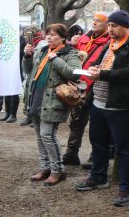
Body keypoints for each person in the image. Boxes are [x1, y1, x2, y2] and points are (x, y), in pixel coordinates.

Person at [76, 10, 129, 208]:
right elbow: (99, 63)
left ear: (126, 26)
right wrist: (93, 69)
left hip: (123, 106)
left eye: (114, 26)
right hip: (99, 103)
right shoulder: (109, 44)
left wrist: (104, 75)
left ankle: (127, 187)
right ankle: (98, 176)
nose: (110, 29)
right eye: (109, 26)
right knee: (98, 143)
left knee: (125, 148)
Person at [23, 24, 82, 185]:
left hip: (53, 100)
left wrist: (55, 59)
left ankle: (57, 170)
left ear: (63, 37)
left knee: (48, 135)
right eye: (47, 34)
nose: (49, 37)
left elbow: (75, 74)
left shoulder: (70, 53)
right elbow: (29, 71)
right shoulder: (42, 51)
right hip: (36, 96)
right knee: (40, 136)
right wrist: (27, 56)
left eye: (53, 35)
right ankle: (45, 168)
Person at [63, 14, 110, 166]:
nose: (95, 23)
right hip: (79, 84)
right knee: (76, 121)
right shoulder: (83, 39)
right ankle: (71, 153)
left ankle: (94, 156)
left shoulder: (109, 42)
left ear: (107, 25)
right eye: (94, 20)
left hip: (97, 86)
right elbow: (76, 59)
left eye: (99, 21)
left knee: (98, 124)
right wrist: (74, 46)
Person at [20, 27, 47, 127]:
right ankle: (29, 116)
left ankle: (36, 117)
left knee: (37, 98)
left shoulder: (43, 45)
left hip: (38, 74)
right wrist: (27, 54)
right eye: (26, 35)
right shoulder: (29, 45)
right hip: (30, 74)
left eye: (29, 35)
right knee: (28, 96)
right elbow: (26, 63)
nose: (27, 38)